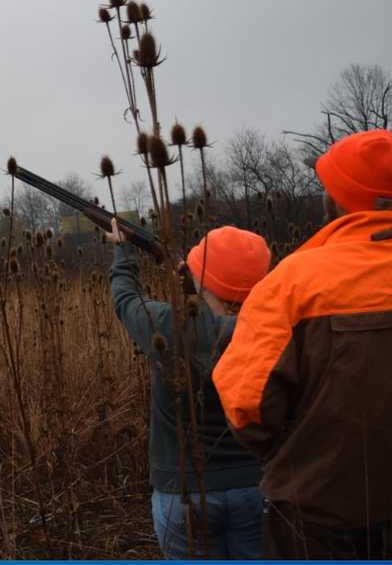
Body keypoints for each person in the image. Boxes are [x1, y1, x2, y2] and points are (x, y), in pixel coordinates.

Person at [214, 129, 392, 560]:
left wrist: (291, 458)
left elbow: (245, 405)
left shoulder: (289, 283)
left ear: (334, 197)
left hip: (311, 519)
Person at [110, 219, 271, 560]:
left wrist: (124, 254)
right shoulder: (275, 329)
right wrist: (200, 286)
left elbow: (127, 300)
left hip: (182, 495)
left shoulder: (169, 326)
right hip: (257, 489)